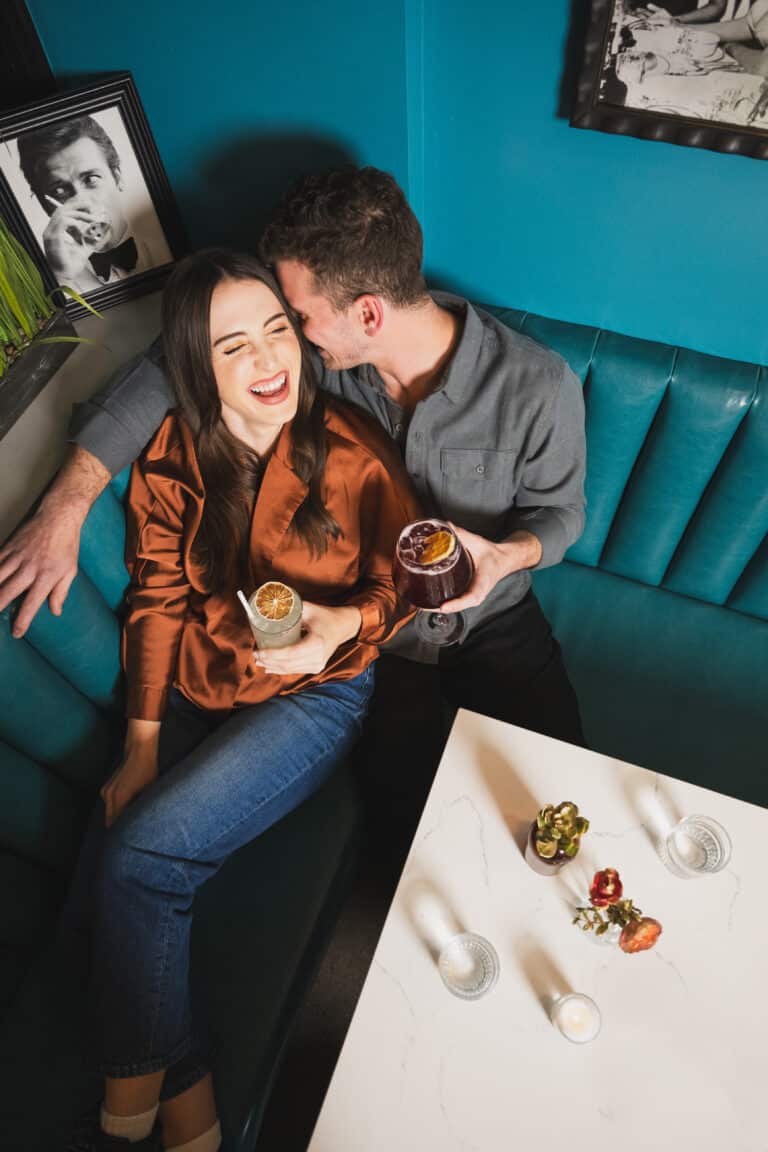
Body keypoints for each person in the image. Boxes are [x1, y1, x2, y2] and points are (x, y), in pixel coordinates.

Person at [0, 165, 586, 863]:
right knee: (412, 844)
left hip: (495, 620)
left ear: (367, 314)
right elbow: (172, 365)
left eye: (297, 316)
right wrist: (66, 507)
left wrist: (507, 555)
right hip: (380, 644)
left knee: (564, 804)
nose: (290, 334)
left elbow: (562, 511)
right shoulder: (314, 357)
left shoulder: (537, 383)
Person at [66, 248, 418, 1152]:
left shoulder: (351, 448)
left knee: (140, 862)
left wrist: (338, 628)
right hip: (198, 686)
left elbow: (400, 586)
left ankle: (139, 1096)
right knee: (113, 840)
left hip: (314, 696)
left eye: (277, 331)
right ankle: (188, 1100)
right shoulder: (176, 451)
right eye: (234, 347)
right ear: (194, 365)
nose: (271, 362)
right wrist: (140, 742)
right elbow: (154, 598)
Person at [17, 115, 156, 293]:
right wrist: (61, 276)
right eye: (59, 191)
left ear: (117, 177)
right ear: (44, 204)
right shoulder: (40, 283)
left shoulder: (168, 235)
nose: (82, 202)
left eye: (91, 179)